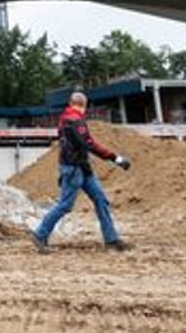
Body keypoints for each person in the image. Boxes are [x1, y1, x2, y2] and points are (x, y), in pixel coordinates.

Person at [31, 92, 132, 253]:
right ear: (84, 105)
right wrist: (115, 158)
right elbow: (89, 144)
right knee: (65, 204)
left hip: (80, 167)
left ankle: (112, 240)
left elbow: (77, 145)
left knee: (100, 199)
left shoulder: (65, 118)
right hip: (73, 168)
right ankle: (40, 234)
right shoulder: (75, 119)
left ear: (71, 103)